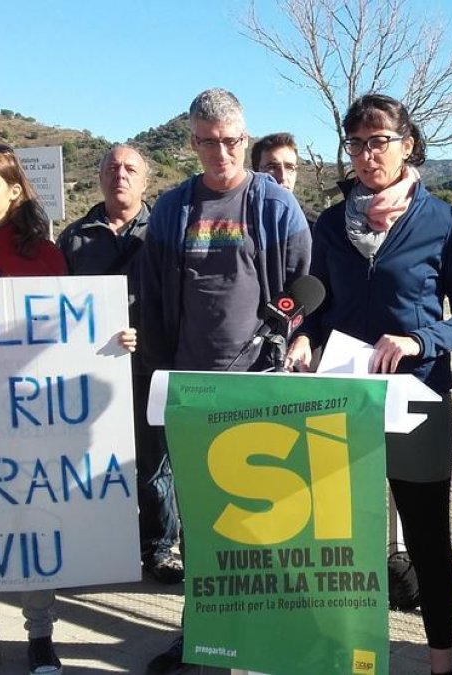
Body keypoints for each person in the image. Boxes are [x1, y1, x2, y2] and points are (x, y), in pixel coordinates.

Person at [286, 93, 452, 675]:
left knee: (428, 541)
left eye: (379, 141)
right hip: (344, 397)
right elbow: (319, 306)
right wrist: (304, 336)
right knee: (341, 543)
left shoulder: (444, 220)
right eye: (357, 144)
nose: (367, 154)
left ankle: (440, 666)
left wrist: (420, 340)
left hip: (418, 400)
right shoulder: (329, 223)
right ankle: (346, 659)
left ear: (408, 144)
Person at [0, 144, 134, 675]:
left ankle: (41, 638)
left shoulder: (45, 256)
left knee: (34, 521)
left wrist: (112, 339)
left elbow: (67, 333)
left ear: (15, 191)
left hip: (35, 416)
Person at [139, 88, 311, 674]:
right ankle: (200, 638)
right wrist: (162, 379)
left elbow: (303, 290)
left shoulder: (276, 207)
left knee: (262, 522)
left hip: (259, 389)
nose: (221, 151)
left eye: (232, 139)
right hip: (191, 389)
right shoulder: (170, 210)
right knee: (201, 526)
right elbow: (156, 298)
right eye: (208, 141)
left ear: (246, 136)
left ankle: (267, 639)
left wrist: (290, 334)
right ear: (192, 142)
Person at [57, 145, 183, 585]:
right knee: (93, 461)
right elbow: (59, 305)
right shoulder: (74, 237)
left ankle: (161, 548)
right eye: (112, 168)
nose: (120, 175)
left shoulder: (166, 231)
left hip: (151, 368)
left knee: (154, 466)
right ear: (99, 177)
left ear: (147, 180)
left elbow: (181, 300)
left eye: (131, 169)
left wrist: (148, 336)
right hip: (91, 371)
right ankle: (101, 543)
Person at [252, 131, 317, 228]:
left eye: (289, 167)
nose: (283, 176)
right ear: (256, 171)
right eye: (272, 167)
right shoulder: (239, 220)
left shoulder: (315, 226)